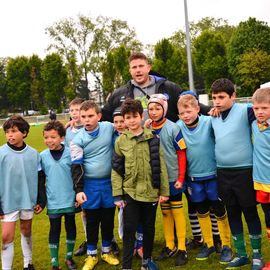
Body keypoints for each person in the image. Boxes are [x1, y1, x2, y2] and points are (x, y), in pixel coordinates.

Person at [210, 78, 263, 270]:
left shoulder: (246, 110)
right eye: (214, 97)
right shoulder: (213, 116)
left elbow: (264, 106)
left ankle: (257, 255)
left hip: (244, 171)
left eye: (222, 97)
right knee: (232, 213)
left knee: (250, 212)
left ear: (234, 96)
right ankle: (241, 254)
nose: (217, 101)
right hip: (223, 173)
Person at [111, 98, 169, 270]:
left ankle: (146, 261)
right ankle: (127, 266)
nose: (131, 120)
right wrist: (117, 194)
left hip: (151, 192)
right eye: (127, 118)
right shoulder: (120, 141)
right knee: (129, 229)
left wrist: (164, 191)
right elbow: (116, 170)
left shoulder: (153, 138)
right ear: (124, 120)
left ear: (141, 116)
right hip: (130, 192)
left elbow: (161, 166)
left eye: (134, 116)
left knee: (149, 228)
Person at [177, 94, 232, 264]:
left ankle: (226, 245)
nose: (185, 115)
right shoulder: (178, 127)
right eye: (182, 113)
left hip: (213, 176)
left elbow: (226, 123)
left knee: (219, 210)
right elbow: (162, 129)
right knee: (201, 211)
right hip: (194, 179)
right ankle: (208, 244)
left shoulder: (209, 121)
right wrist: (149, 123)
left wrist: (218, 111)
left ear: (197, 109)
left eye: (188, 111)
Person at [71, 100, 119, 270]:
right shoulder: (77, 140)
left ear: (98, 116)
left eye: (91, 116)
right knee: (91, 221)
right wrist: (79, 190)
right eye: (83, 116)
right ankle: (91, 255)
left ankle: (106, 251)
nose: (87, 119)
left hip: (109, 183)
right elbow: (76, 168)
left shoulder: (108, 127)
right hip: (90, 185)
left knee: (107, 219)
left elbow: (124, 124)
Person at [101, 52, 211, 123]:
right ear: (130, 71)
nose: (138, 70)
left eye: (141, 66)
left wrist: (211, 110)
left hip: (164, 140)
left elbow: (189, 103)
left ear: (148, 68)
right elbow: (103, 115)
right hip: (136, 144)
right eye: (134, 67)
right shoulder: (119, 93)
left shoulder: (168, 87)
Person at [146, 94, 188, 266]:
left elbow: (182, 153)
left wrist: (180, 177)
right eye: (150, 109)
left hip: (173, 177)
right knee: (165, 212)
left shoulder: (173, 128)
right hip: (158, 180)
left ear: (164, 109)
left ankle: (182, 248)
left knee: (177, 211)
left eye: (157, 108)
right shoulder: (147, 129)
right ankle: (170, 245)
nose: (154, 112)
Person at [0, 115, 46, 270]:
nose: (9, 135)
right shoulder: (1, 153)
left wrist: (41, 200)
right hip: (7, 201)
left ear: (24, 133)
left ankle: (28, 263)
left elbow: (40, 178)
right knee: (6, 237)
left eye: (13, 131)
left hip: (28, 199)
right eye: (7, 132)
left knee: (26, 230)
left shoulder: (34, 154)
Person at [40, 120, 78, 270]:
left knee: (71, 227)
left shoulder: (71, 153)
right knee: (54, 230)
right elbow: (40, 180)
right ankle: (54, 263)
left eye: (53, 137)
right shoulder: (41, 156)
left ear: (62, 138)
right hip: (53, 200)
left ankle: (69, 258)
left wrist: (78, 195)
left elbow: (77, 176)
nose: (49, 140)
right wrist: (41, 200)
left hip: (70, 199)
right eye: (46, 137)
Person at [251, 87, 270, 270]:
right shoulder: (254, 124)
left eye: (264, 108)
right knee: (269, 222)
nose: (260, 112)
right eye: (256, 109)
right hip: (261, 183)